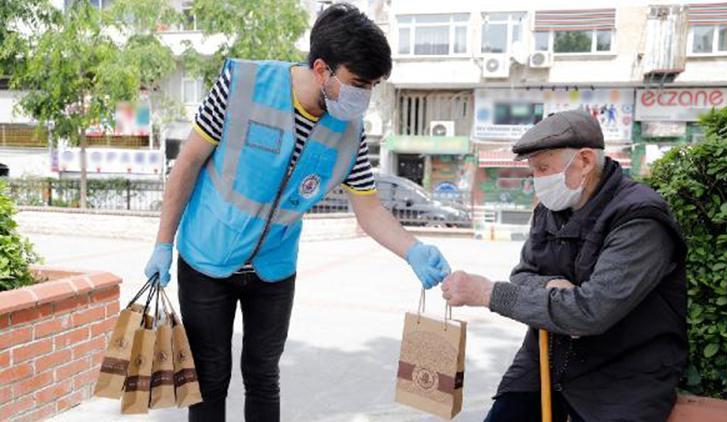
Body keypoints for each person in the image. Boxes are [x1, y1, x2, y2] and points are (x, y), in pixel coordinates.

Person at [144, 4, 450, 421]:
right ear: (322, 68)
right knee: (211, 377)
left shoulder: (350, 133)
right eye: (359, 83)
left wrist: (413, 249)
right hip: (207, 257)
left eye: (373, 85)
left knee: (263, 375)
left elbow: (369, 208)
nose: (365, 96)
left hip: (274, 267)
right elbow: (188, 164)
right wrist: (163, 243)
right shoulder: (243, 83)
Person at [440, 110, 688, 422]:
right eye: (533, 171)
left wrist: (488, 294)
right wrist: (549, 285)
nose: (537, 181)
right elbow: (522, 274)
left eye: (543, 168)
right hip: (546, 358)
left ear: (584, 161)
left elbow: (591, 312)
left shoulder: (639, 217)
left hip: (623, 376)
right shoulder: (551, 208)